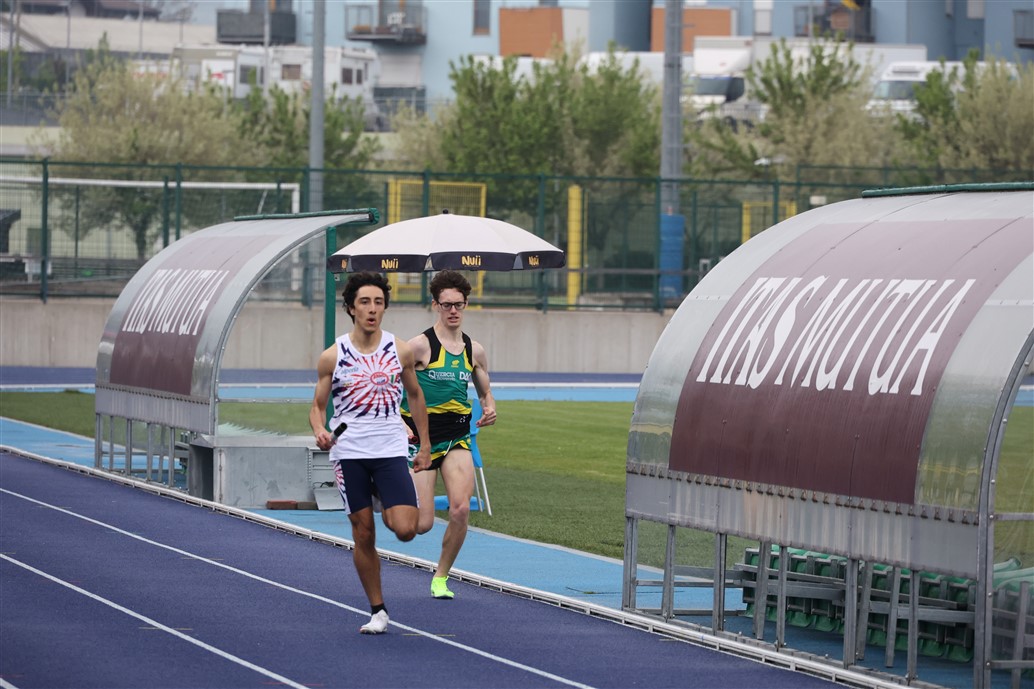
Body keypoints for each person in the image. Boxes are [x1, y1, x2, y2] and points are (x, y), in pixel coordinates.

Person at [309, 271, 431, 635]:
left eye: (378, 302)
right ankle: (378, 610)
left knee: (406, 529)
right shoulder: (333, 356)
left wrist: (425, 445)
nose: (372, 309)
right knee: (363, 533)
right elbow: (317, 407)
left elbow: (415, 396)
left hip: (390, 448)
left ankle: (383, 493)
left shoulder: (400, 350)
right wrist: (319, 430)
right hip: (349, 452)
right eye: (365, 302)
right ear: (351, 308)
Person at [402, 270, 497, 600]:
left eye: (458, 304)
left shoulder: (474, 350)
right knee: (422, 524)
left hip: (457, 435)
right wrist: (397, 422)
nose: (453, 310)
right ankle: (387, 489)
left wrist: (490, 407)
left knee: (460, 509)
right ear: (435, 305)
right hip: (422, 437)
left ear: (466, 304)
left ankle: (441, 577)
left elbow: (485, 390)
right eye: (446, 305)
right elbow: (385, 384)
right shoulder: (419, 346)